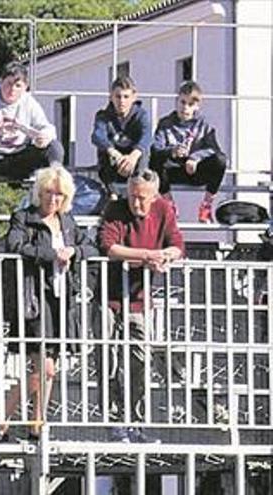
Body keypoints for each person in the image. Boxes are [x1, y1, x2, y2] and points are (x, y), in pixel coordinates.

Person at [0, 166, 97, 441]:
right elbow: (14, 246)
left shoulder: (68, 222)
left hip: (61, 299)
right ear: (39, 192)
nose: (53, 199)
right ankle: (5, 412)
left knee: (49, 368)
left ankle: (33, 422)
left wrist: (74, 251)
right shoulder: (24, 217)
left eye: (59, 194)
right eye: (49, 192)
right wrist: (50, 255)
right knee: (44, 368)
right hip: (35, 299)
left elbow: (92, 247)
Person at [98, 169, 184, 443]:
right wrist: (148, 256)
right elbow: (109, 247)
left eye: (143, 198)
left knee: (139, 360)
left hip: (140, 298)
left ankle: (135, 421)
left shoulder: (164, 209)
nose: (137, 203)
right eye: (133, 196)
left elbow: (177, 245)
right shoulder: (114, 208)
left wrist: (165, 255)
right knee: (107, 359)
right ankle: (113, 423)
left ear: (155, 195)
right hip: (108, 297)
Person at [0, 62, 63, 186]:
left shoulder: (29, 102)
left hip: (21, 157)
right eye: (8, 84)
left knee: (54, 146)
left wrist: (41, 136)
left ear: (25, 87)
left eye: (18, 86)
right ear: (0, 82)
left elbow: (47, 128)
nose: (12, 90)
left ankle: (55, 190)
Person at [150, 80, 226, 223]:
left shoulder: (204, 124)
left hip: (195, 171)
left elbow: (214, 148)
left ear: (196, 106)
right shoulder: (165, 123)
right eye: (182, 102)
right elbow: (156, 148)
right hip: (172, 171)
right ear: (177, 101)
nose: (185, 108)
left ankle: (206, 206)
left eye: (190, 104)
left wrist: (195, 158)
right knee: (154, 159)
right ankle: (169, 204)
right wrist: (172, 151)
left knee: (221, 160)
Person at [91, 76, 152, 196]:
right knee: (103, 152)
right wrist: (116, 155)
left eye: (126, 97)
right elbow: (97, 136)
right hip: (115, 160)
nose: (122, 101)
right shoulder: (103, 115)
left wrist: (133, 156)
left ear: (134, 97)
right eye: (118, 96)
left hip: (134, 161)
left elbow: (147, 136)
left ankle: (137, 192)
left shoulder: (141, 115)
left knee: (144, 152)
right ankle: (113, 194)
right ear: (111, 97)